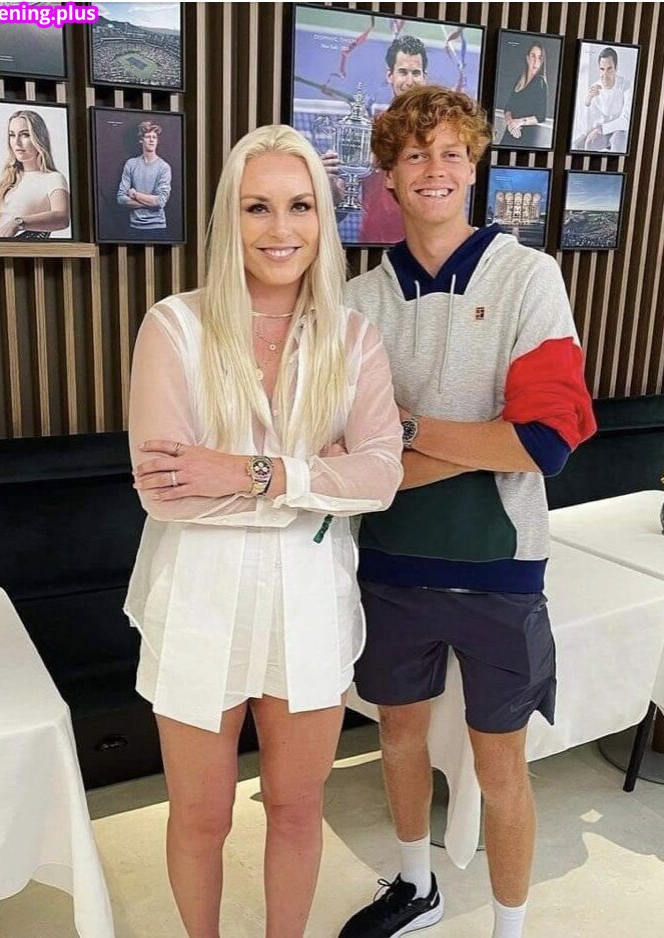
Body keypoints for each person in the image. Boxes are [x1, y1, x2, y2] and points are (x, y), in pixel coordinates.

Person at [123, 124, 403, 938]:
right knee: (200, 816)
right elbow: (167, 495)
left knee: (296, 806)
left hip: (310, 599)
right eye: (258, 207)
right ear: (230, 218)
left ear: (323, 217)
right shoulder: (174, 327)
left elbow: (381, 477)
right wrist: (319, 478)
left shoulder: (354, 339)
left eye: (300, 206)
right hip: (198, 599)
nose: (281, 229)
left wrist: (250, 473)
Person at [338, 86, 596, 938]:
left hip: (500, 568)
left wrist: (406, 432)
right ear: (389, 175)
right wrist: (479, 439)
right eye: (415, 155)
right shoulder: (358, 303)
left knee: (501, 768)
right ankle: (417, 887)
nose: (434, 169)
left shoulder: (528, 278)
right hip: (390, 566)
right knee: (398, 739)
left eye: (451, 151)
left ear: (475, 164)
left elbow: (545, 443)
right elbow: (354, 464)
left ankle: (509, 930)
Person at [322, 33, 429, 244]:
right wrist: (329, 181)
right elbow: (340, 211)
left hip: (424, 247)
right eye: (403, 72)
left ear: (424, 76)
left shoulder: (439, 133)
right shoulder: (369, 130)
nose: (410, 81)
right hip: (374, 246)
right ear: (390, 75)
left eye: (416, 73)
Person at [0, 109, 70, 240]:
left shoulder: (53, 178)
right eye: (12, 135)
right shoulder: (10, 179)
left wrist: (18, 223)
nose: (17, 142)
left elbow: (62, 218)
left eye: (25, 135)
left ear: (39, 138)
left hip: (21, 250)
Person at [116, 120, 173, 239]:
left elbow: (160, 202)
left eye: (154, 137)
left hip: (157, 228)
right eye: (148, 137)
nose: (151, 140)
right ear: (141, 140)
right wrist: (150, 202)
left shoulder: (164, 167)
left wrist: (135, 195)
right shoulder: (131, 164)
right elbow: (121, 198)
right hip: (134, 227)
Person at [572, 46, 633, 153]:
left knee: (618, 140)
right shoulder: (594, 88)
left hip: (619, 131)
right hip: (602, 132)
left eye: (609, 69)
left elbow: (626, 120)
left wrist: (601, 128)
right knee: (578, 145)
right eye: (602, 69)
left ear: (616, 68)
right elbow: (586, 126)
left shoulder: (626, 86)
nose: (605, 74)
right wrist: (588, 101)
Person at [499, 43, 548, 147]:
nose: (536, 61)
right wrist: (510, 123)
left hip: (525, 136)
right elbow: (508, 107)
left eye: (539, 58)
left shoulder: (540, 82)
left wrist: (519, 122)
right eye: (533, 56)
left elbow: (541, 116)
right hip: (511, 131)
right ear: (527, 58)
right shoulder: (520, 79)